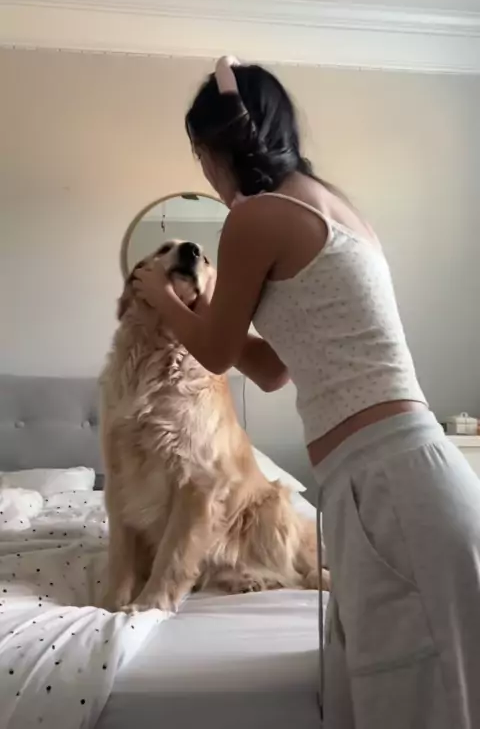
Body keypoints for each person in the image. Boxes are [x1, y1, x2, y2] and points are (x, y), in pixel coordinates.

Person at [134, 56, 480, 729]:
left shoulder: (257, 217)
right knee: (396, 686)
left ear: (220, 146)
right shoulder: (330, 206)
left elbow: (213, 352)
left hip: (388, 484)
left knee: (410, 694)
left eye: (200, 154)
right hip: (399, 478)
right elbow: (271, 369)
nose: (204, 172)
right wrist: (204, 313)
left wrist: (162, 298)